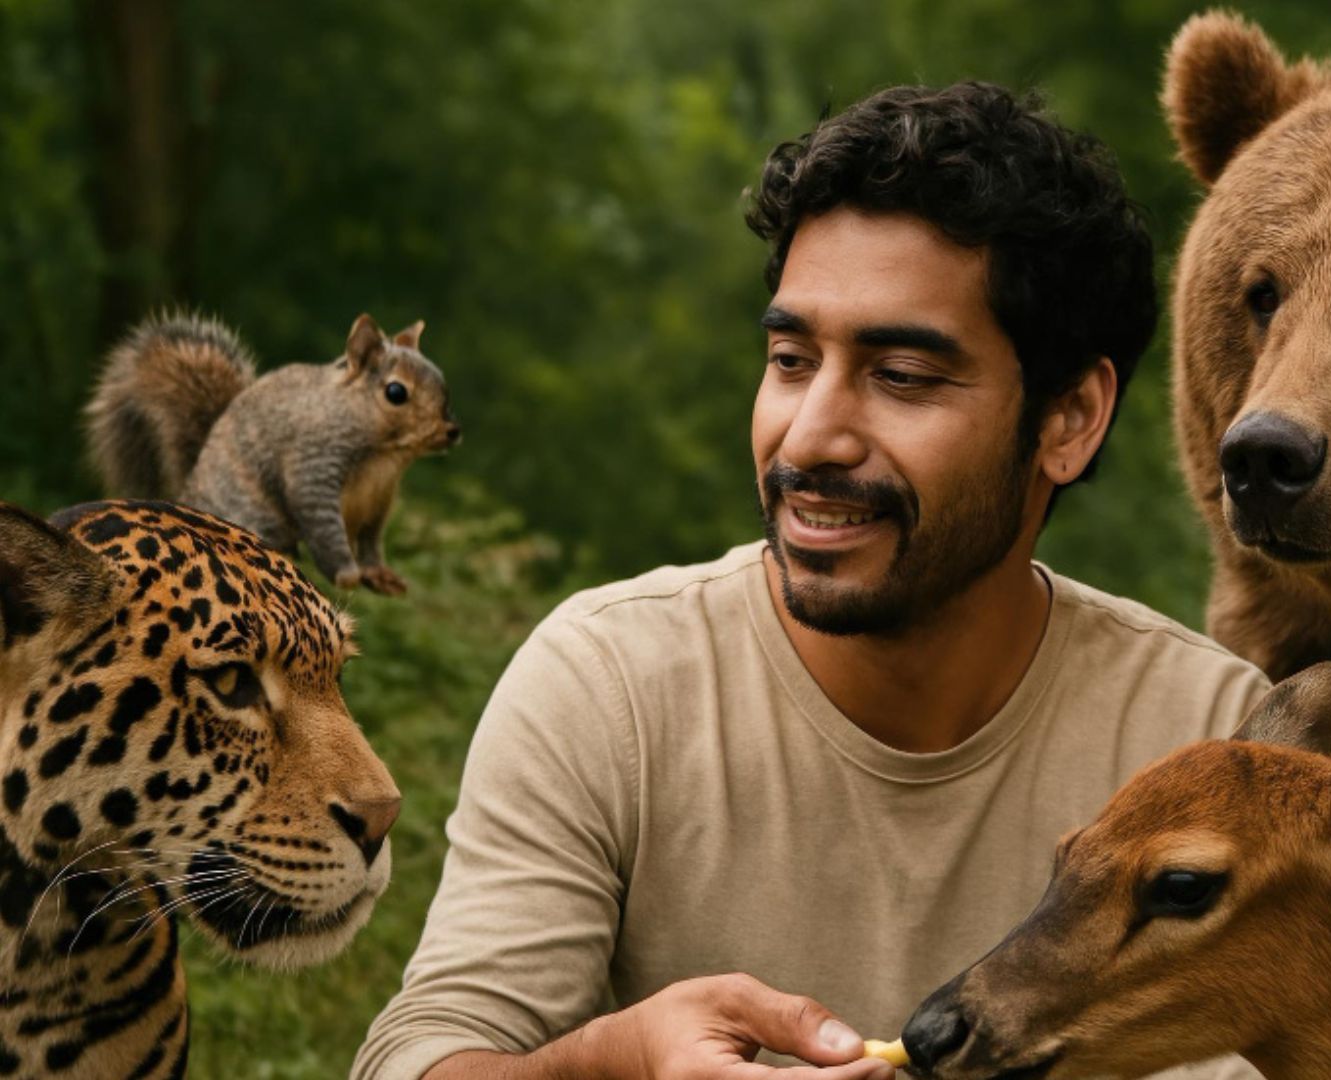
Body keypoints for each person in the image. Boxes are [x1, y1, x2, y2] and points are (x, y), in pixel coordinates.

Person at [353, 81, 1269, 1080]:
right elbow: (420, 1058)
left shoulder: (1221, 747)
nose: (810, 436)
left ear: (1068, 419)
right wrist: (613, 1064)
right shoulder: (608, 685)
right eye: (791, 359)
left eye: (902, 377)